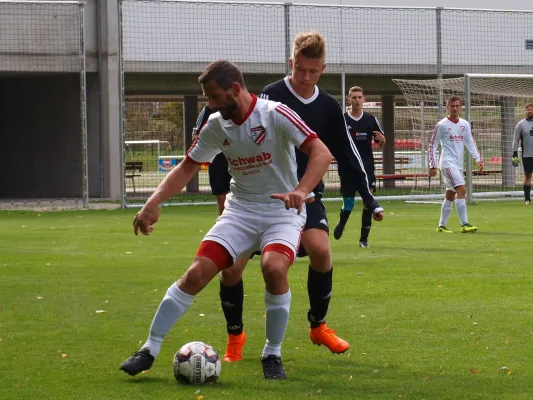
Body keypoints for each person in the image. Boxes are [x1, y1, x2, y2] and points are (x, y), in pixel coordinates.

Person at [119, 60, 333, 380]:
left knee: (273, 268)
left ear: (235, 89)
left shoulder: (274, 114)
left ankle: (271, 354)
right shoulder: (217, 124)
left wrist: (302, 191)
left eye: (214, 97)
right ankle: (149, 349)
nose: (210, 105)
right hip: (240, 212)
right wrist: (153, 202)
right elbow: (187, 167)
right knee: (197, 272)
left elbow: (321, 152)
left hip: (281, 214)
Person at [211, 32, 384, 364]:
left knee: (321, 250)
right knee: (232, 268)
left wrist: (369, 199)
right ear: (291, 63)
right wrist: (222, 195)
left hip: (305, 196)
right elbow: (229, 143)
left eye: (313, 71)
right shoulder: (269, 97)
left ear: (323, 69)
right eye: (300, 69)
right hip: (256, 199)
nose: (305, 77)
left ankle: (318, 326)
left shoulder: (330, 107)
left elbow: (347, 153)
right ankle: (235, 334)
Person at [333, 86, 386, 248]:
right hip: (347, 167)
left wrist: (382, 139)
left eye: (359, 97)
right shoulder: (342, 120)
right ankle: (342, 221)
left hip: (367, 167)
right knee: (348, 203)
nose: (357, 100)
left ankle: (364, 239)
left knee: (367, 200)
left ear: (364, 100)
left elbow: (381, 143)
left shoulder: (370, 120)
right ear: (349, 100)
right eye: (354, 97)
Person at [429, 96, 484, 233]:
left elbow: (470, 142)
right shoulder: (441, 125)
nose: (454, 108)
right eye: (452, 106)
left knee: (450, 193)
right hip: (447, 163)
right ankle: (464, 224)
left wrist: (478, 158)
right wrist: (432, 164)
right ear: (447, 107)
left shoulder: (465, 124)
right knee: (462, 190)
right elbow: (432, 145)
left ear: (460, 107)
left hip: (458, 164)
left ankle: (441, 226)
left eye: (457, 106)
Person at [192, 105, 231, 215]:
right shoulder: (209, 109)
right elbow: (196, 136)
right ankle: (224, 223)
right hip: (217, 159)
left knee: (244, 194)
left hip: (238, 158)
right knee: (221, 195)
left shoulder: (240, 106)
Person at [512, 103, 533, 205]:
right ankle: (527, 199)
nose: (530, 111)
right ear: (525, 111)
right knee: (527, 176)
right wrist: (514, 154)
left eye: (531, 109)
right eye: (528, 109)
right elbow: (515, 140)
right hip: (527, 155)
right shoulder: (520, 124)